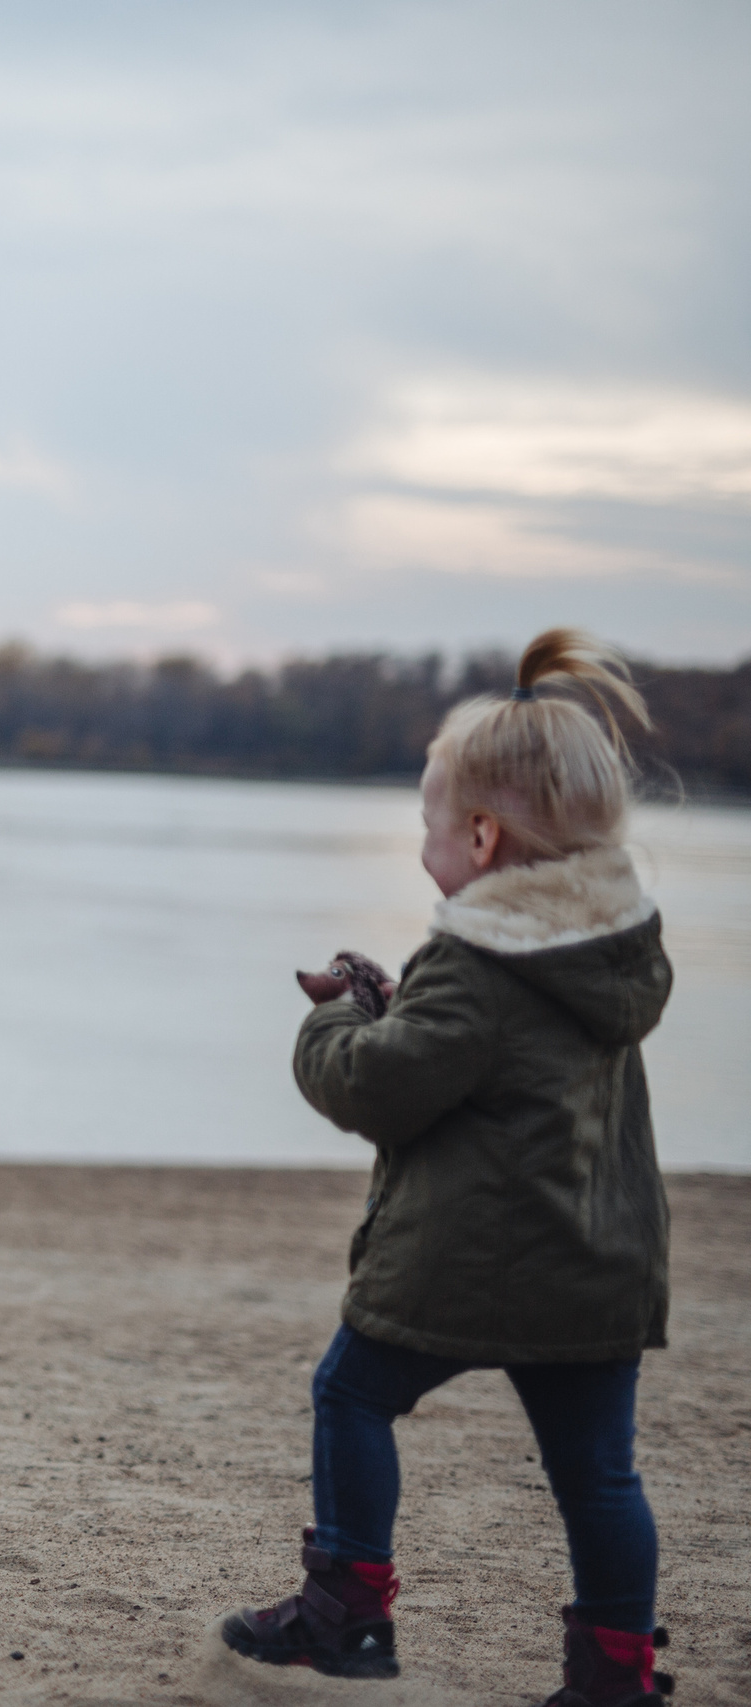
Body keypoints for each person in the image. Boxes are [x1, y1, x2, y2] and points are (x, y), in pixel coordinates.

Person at [219, 631, 676, 1707]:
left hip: (473, 1257)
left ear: (479, 834)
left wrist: (336, 1017)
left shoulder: (478, 964)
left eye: (428, 825)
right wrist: (400, 1005)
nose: (424, 845)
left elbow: (378, 1088)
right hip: (600, 1258)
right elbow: (482, 1067)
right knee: (598, 1475)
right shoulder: (613, 953)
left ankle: (346, 1612)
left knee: (350, 1394)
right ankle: (615, 1670)